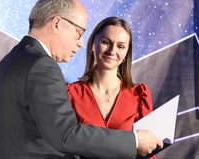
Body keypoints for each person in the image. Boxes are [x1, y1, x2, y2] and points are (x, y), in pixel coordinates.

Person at [0, 0, 163, 158]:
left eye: (121, 46)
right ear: (57, 24)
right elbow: (65, 135)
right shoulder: (42, 66)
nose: (80, 42)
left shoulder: (9, 62)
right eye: (79, 33)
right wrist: (134, 142)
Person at [66, 17, 157, 159]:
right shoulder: (70, 94)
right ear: (92, 45)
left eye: (120, 46)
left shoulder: (139, 95)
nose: (112, 51)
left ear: (126, 53)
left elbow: (148, 152)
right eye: (105, 42)